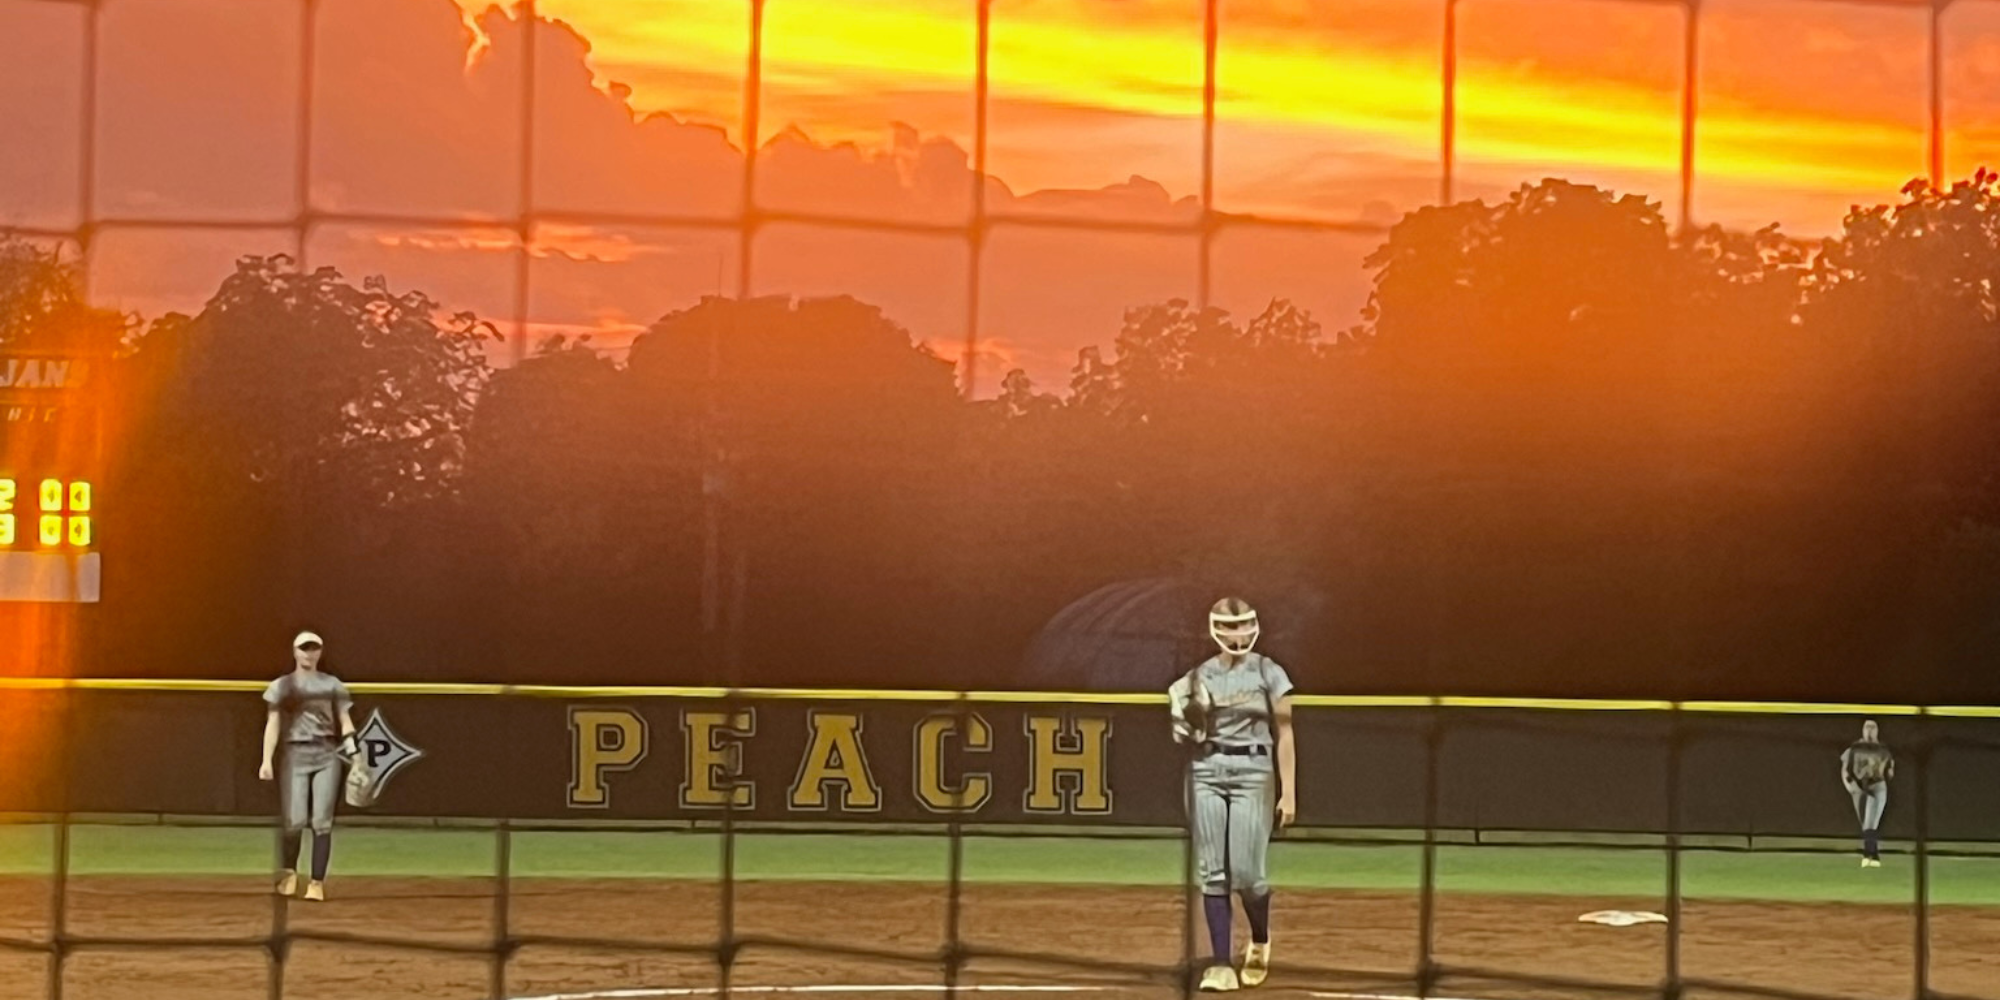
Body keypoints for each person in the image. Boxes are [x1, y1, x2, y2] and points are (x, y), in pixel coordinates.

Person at [1169, 597, 1297, 992]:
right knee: (1212, 870)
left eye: (1243, 625)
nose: (1237, 633)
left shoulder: (1268, 671)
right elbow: (1185, 734)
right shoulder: (1198, 677)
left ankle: (1259, 939)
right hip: (1206, 771)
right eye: (1229, 626)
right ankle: (1221, 963)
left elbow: (1286, 732)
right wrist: (1185, 720)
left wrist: (1288, 790)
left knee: (1247, 872)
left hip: (1254, 772)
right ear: (1215, 629)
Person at [259, 630, 356, 900]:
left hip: (326, 752)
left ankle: (316, 882)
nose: (308, 653)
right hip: (295, 752)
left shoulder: (332, 684)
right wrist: (266, 759)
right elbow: (273, 724)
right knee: (294, 820)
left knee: (322, 821)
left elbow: (344, 720)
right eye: (304, 648)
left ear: (320, 652)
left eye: (313, 648)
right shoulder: (283, 685)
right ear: (295, 651)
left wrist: (354, 751)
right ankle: (289, 874)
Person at [1840, 719, 1894, 868]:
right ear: (1862, 730)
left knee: (1873, 820)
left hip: (1877, 785)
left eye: (1873, 727)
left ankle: (1869, 855)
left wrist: (1886, 771)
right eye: (1867, 727)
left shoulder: (1882, 749)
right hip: (1861, 787)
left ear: (1877, 730)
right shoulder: (1855, 747)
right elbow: (1845, 768)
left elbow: (1889, 769)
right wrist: (1848, 785)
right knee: (1866, 822)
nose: (1870, 730)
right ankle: (1873, 854)